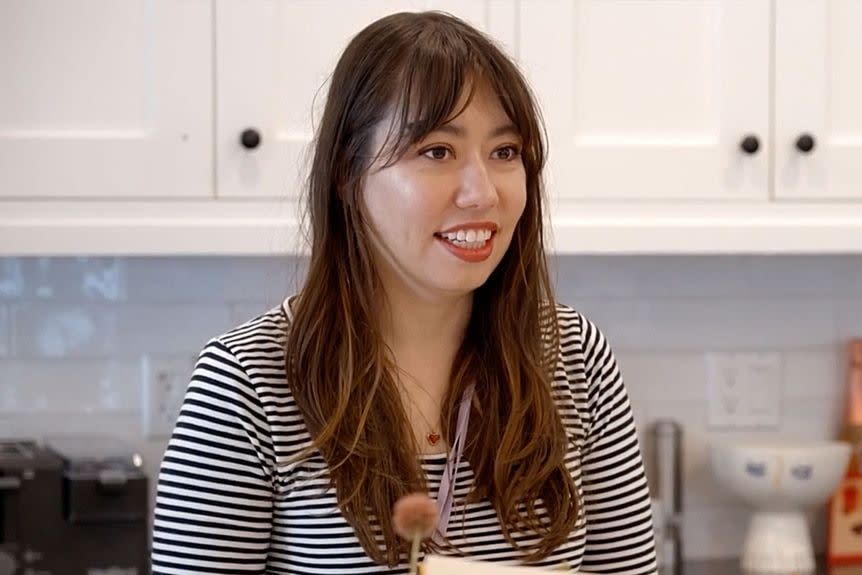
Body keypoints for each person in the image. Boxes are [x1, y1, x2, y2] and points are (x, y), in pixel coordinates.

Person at [151, 11, 658, 575]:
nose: (482, 193)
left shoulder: (575, 358)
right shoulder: (248, 381)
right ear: (348, 172)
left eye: (505, 151)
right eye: (437, 151)